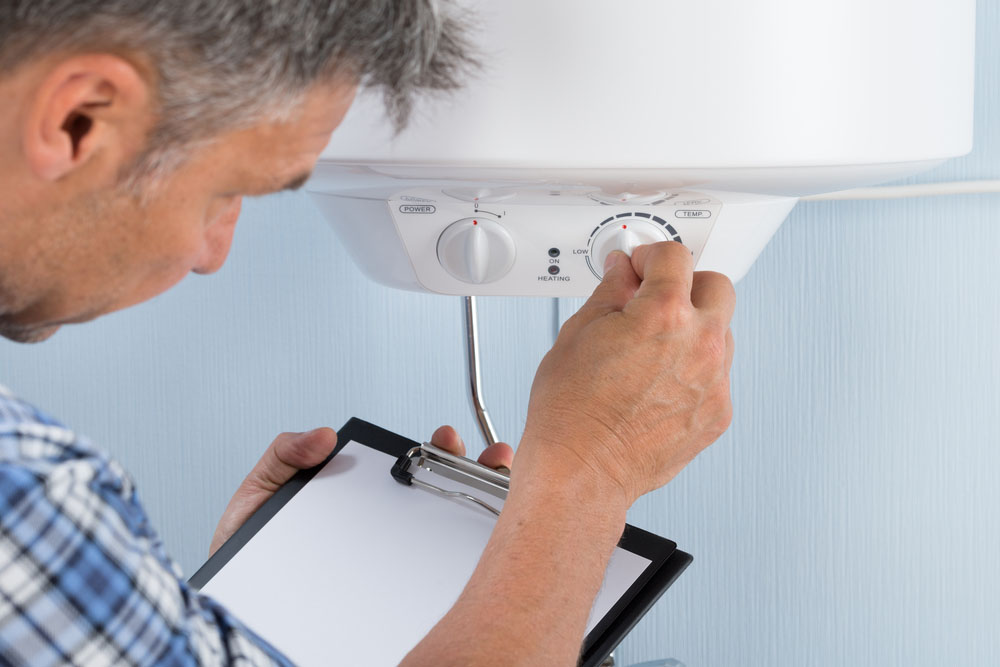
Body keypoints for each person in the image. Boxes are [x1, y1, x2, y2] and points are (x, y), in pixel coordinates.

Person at [0, 1, 735, 664]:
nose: (213, 254)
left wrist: (249, 604)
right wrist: (589, 470)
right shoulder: (23, 493)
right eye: (229, 192)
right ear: (79, 119)